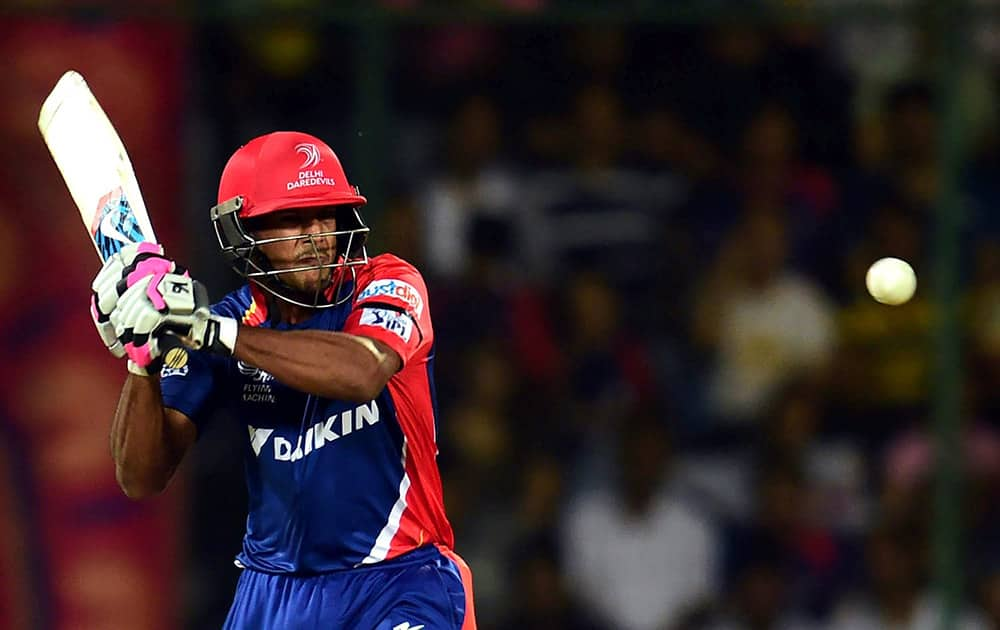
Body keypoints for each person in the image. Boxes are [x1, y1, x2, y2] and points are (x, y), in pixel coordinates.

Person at [89, 131, 476, 629]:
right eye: (292, 219)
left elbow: (361, 371)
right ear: (245, 232)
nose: (316, 234)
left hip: (399, 578)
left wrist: (209, 331)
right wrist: (143, 357)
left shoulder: (388, 282)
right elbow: (140, 477)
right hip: (272, 596)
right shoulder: (230, 323)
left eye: (326, 213)